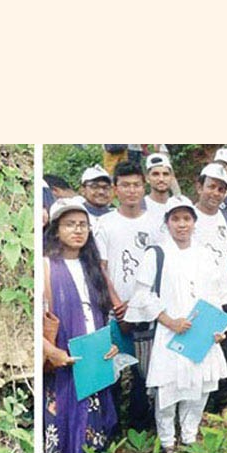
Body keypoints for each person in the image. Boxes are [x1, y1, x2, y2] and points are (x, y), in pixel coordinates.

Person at [125, 196, 227, 453]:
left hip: (201, 333)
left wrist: (218, 329)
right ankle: (168, 441)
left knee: (199, 386)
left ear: (194, 222)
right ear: (167, 222)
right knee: (168, 390)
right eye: (175, 219)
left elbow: (215, 292)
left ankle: (190, 435)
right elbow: (142, 294)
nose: (182, 224)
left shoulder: (205, 253)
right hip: (170, 332)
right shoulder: (156, 253)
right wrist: (169, 320)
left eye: (186, 218)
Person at [43, 197, 119, 453]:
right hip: (63, 365)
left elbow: (105, 316)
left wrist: (112, 346)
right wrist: (51, 352)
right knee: (63, 429)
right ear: (56, 230)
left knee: (94, 434)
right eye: (69, 224)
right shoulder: (45, 267)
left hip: (94, 365)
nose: (77, 230)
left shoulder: (94, 268)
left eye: (82, 225)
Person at [94, 161, 165, 431]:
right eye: (125, 185)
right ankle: (111, 427)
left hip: (148, 311)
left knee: (145, 372)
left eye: (136, 185)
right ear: (115, 189)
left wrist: (144, 306)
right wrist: (117, 305)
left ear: (143, 186)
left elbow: (161, 268)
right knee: (112, 370)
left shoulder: (157, 224)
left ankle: (142, 427)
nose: (131, 191)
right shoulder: (105, 224)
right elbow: (101, 267)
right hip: (117, 311)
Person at [193, 162, 227, 410]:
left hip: (223, 296)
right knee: (197, 348)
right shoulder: (186, 215)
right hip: (196, 297)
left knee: (224, 349)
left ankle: (219, 401)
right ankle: (197, 401)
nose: (216, 193)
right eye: (211, 186)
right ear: (199, 187)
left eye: (221, 189)